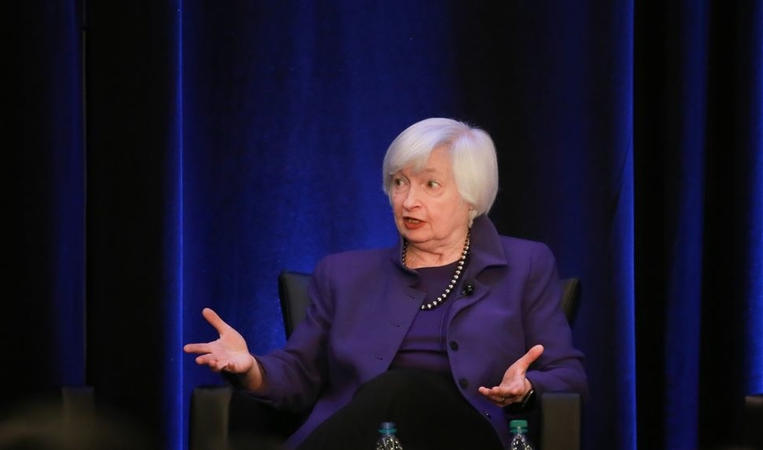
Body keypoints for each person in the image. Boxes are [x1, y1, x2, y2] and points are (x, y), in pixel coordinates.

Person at [184, 117, 588, 450]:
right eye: (399, 182)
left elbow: (568, 376)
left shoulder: (525, 265)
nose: (408, 201)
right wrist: (251, 367)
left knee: (400, 387)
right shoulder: (342, 274)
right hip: (365, 437)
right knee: (388, 398)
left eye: (430, 184)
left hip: (469, 436)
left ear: (471, 197)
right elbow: (299, 373)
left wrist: (527, 387)